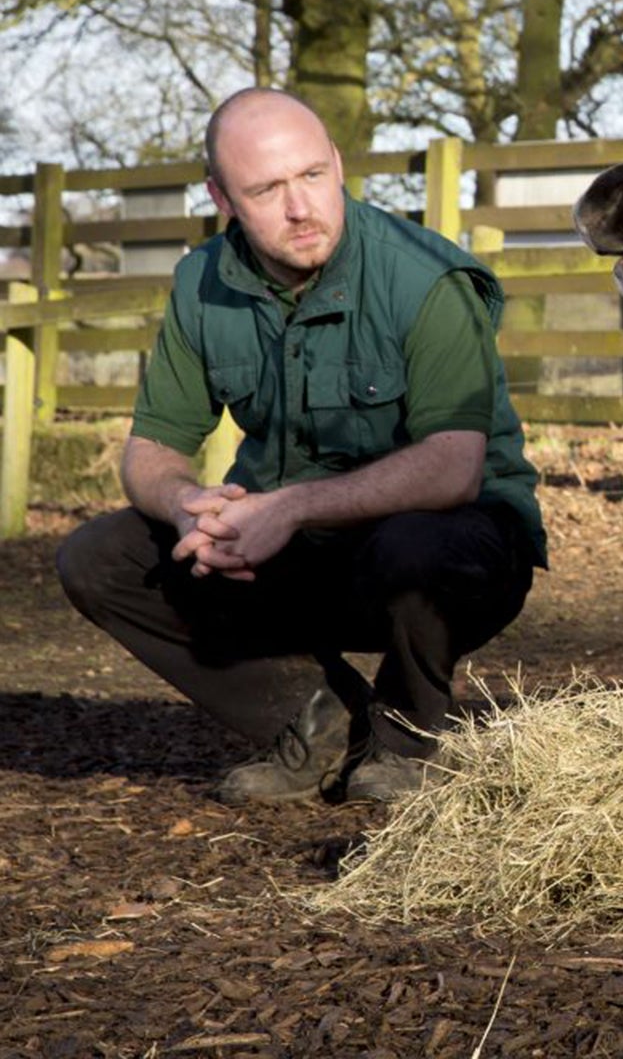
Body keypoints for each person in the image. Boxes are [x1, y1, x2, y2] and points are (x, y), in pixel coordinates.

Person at [56, 89, 547, 804]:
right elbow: (151, 450)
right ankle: (312, 720)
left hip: (451, 550)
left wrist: (288, 507)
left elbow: (453, 465)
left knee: (419, 546)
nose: (300, 208)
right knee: (99, 557)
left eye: (313, 176)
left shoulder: (426, 279)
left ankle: (407, 739)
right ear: (221, 196)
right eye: (267, 189)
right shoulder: (201, 282)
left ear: (338, 164)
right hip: (292, 553)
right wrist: (187, 506)